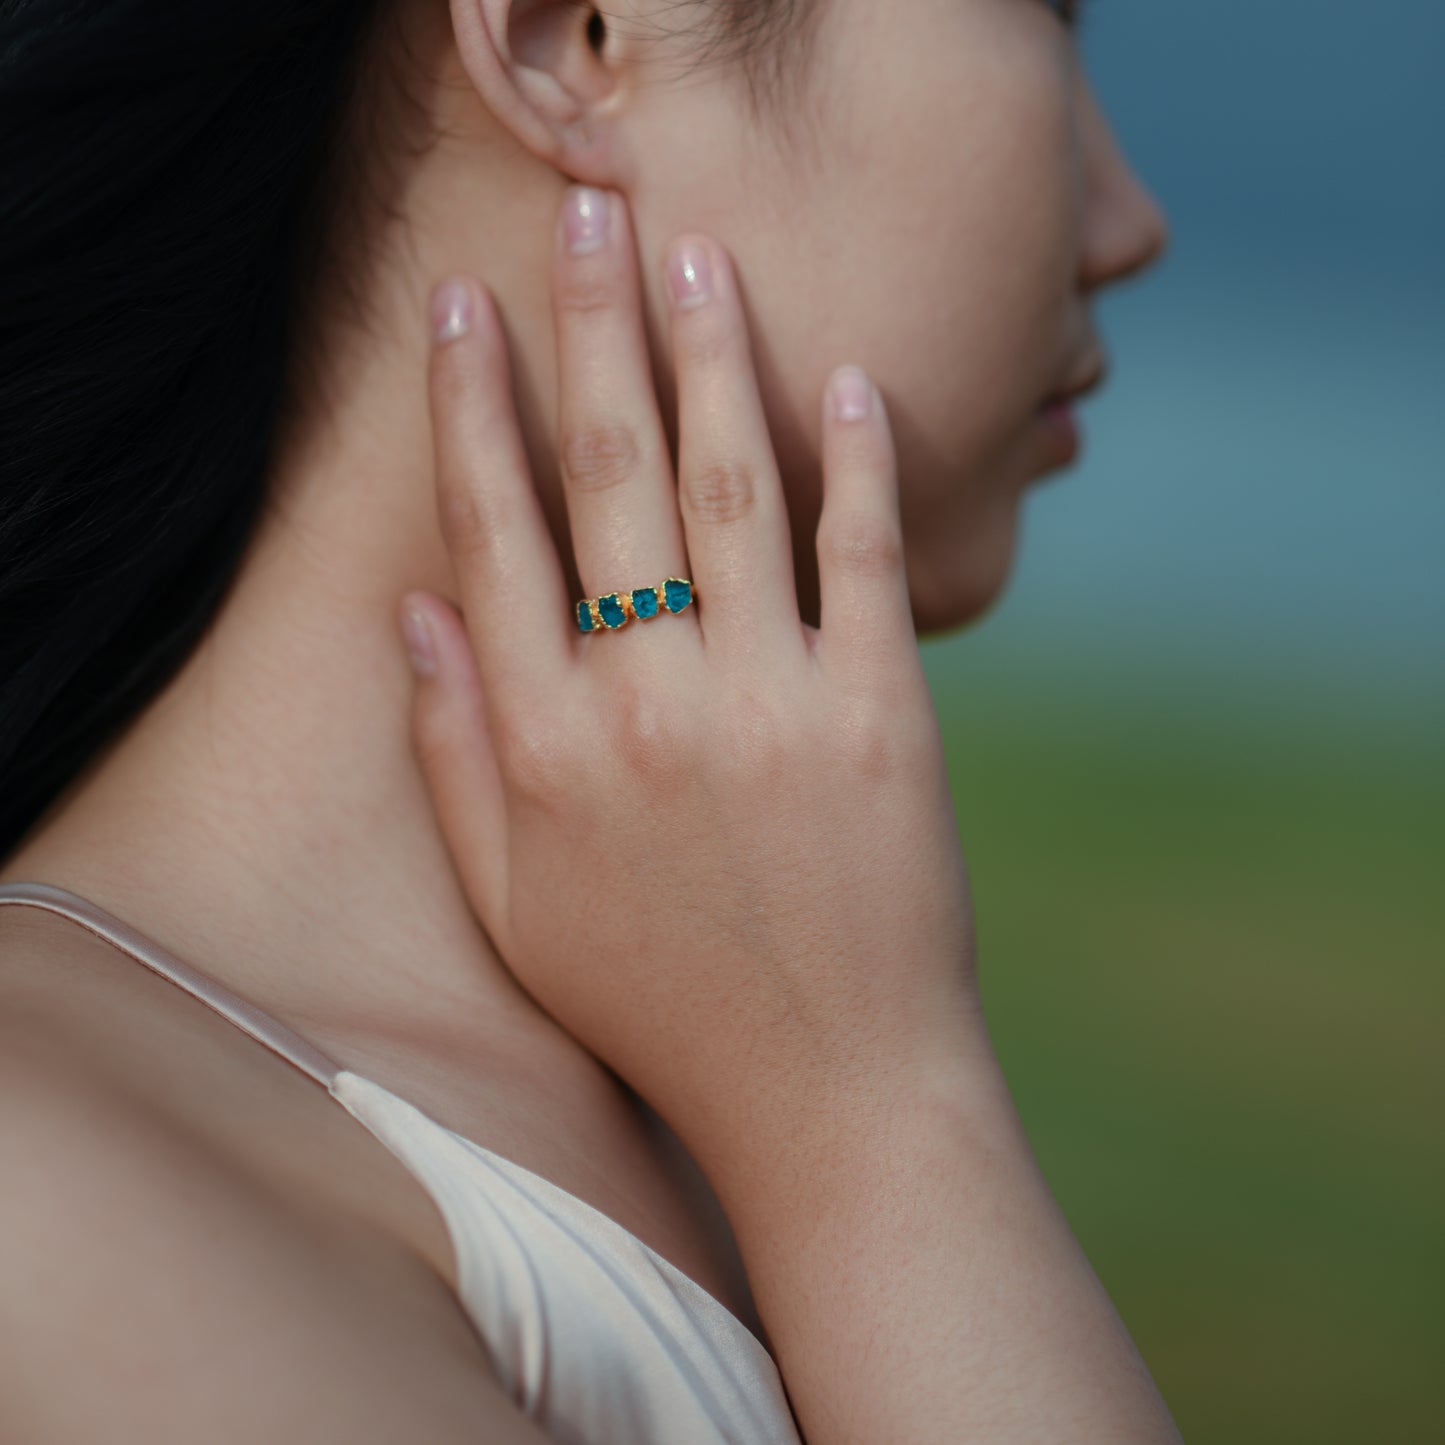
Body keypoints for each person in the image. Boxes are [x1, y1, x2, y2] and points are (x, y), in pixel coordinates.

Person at [0, 0, 1176, 1440]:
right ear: (577, 37)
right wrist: (878, 1128)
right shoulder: (53, 1191)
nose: (1128, 217)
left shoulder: (723, 1059)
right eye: (1045, 18)